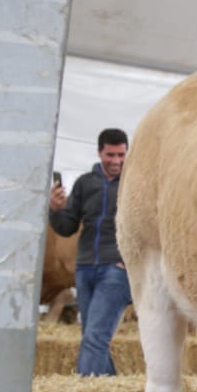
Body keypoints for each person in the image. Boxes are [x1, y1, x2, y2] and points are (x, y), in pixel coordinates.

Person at [50, 128, 132, 376]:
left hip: (116, 271)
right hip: (85, 268)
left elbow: (152, 225)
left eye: (121, 155)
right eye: (110, 155)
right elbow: (67, 227)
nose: (116, 161)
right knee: (91, 336)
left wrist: (128, 261)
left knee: (95, 337)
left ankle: (84, 389)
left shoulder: (135, 184)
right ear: (99, 152)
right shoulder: (85, 183)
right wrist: (55, 210)